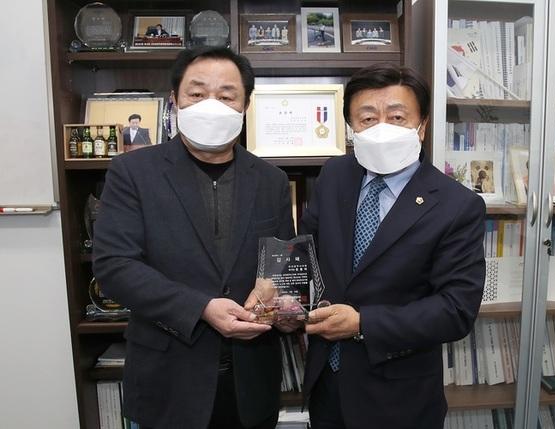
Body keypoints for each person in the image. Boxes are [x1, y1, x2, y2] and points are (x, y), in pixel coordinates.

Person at [93, 47, 295, 429]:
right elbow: (114, 266)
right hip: (168, 381)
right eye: (197, 93)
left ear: (245, 105)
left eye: (226, 95)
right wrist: (201, 307)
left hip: (251, 384)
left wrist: (280, 298)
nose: (211, 105)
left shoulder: (271, 180)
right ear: (175, 101)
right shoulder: (132, 172)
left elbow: (283, 260)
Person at [300, 64, 486, 429]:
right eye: (368, 118)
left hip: (399, 398)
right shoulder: (334, 175)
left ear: (422, 126)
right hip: (327, 385)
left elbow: (456, 309)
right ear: (351, 129)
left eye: (397, 117)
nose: (382, 127)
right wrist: (279, 289)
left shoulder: (457, 205)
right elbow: (308, 253)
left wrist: (362, 323)